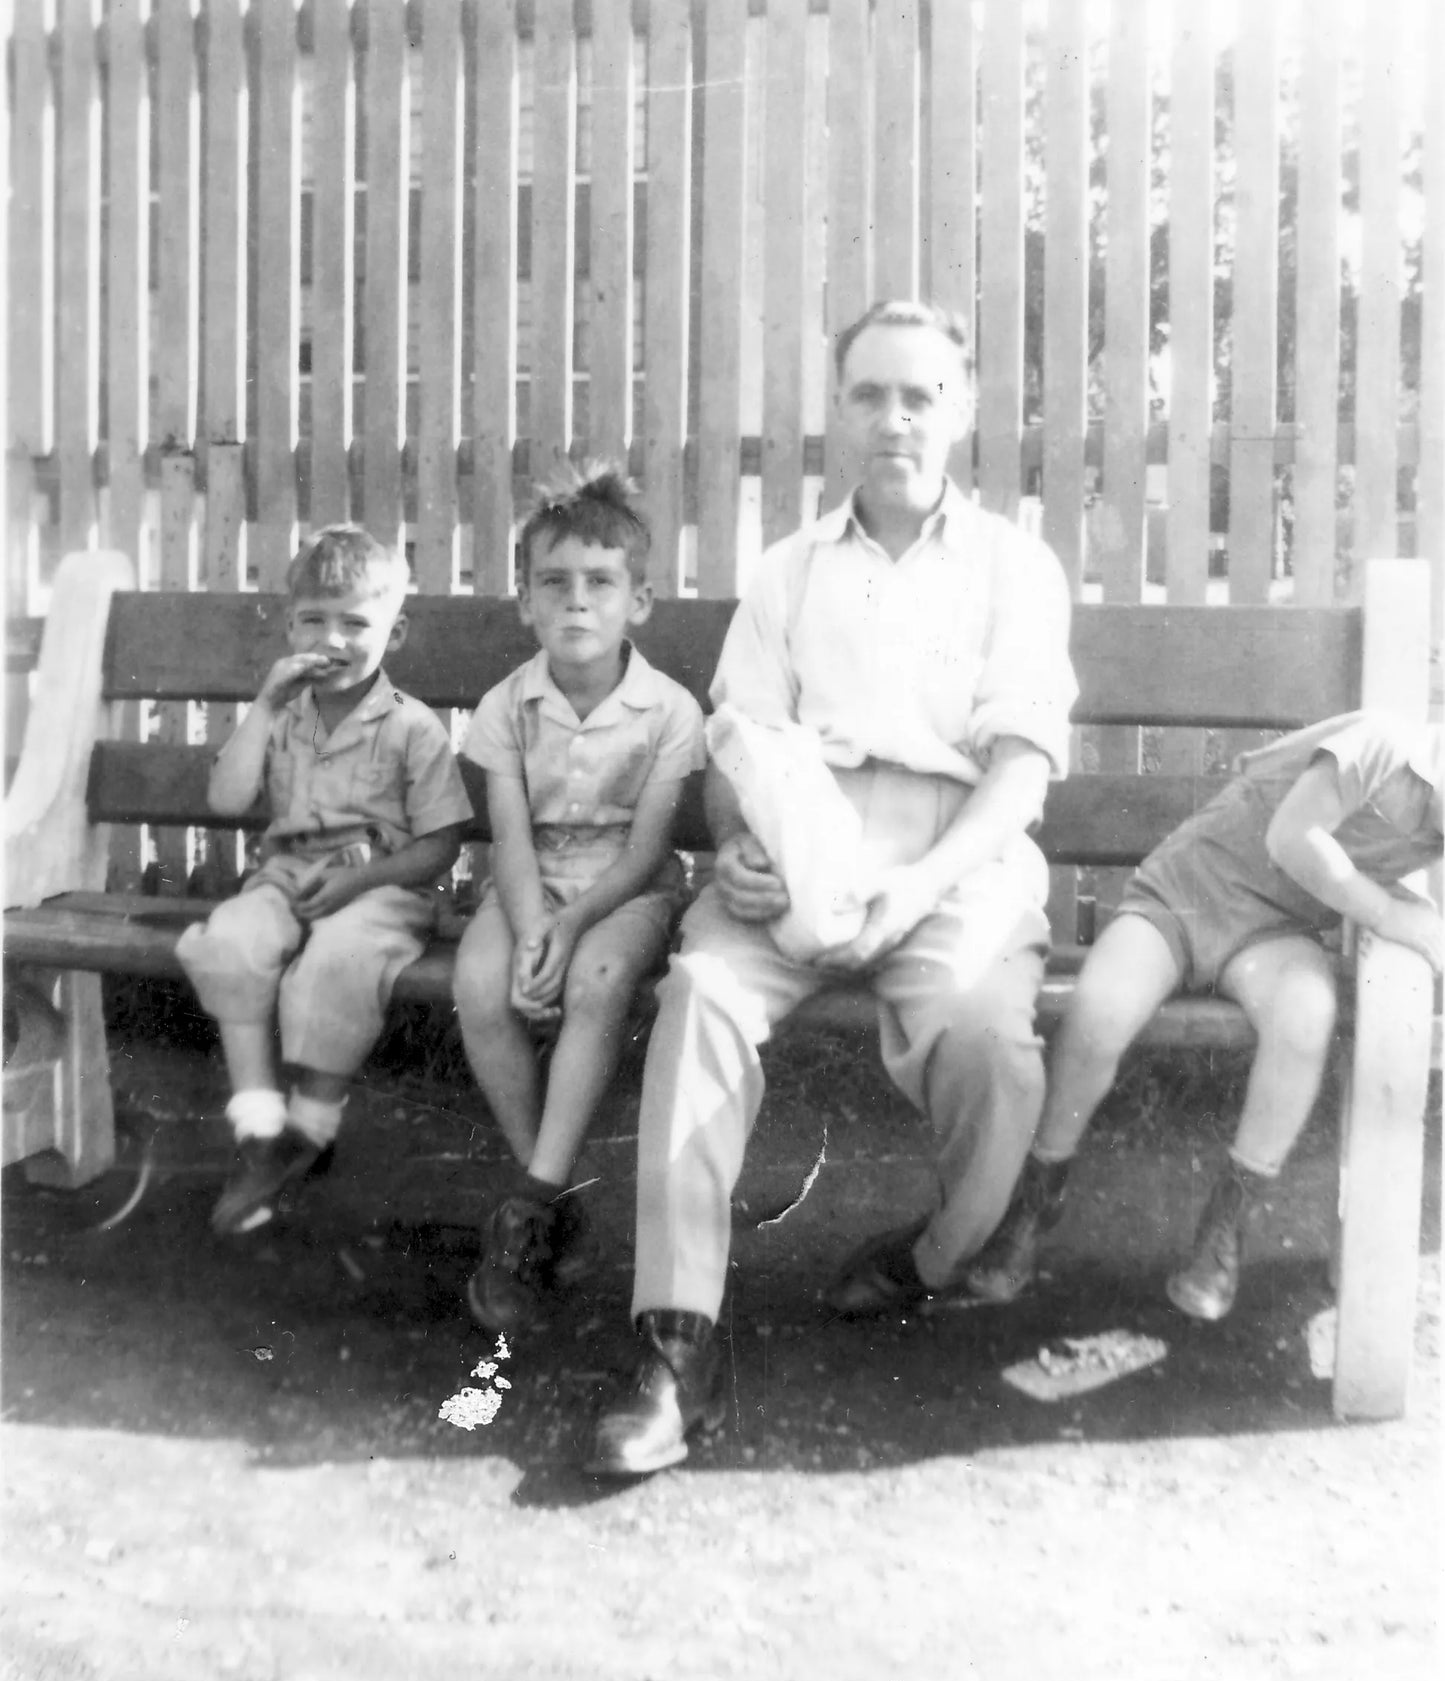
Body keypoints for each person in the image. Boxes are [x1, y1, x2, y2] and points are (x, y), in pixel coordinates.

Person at [587, 299, 1079, 1479]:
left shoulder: (1013, 567)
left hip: (954, 850)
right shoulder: (788, 570)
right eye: (869, 394)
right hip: (798, 845)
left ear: (958, 411)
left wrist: (916, 888)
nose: (893, 418)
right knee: (698, 997)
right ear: (838, 412)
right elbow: (736, 740)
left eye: (919, 395)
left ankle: (938, 1253)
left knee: (978, 1030)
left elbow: (1017, 772)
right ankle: (675, 1344)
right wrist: (734, 841)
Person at [966, 711, 1444, 1321]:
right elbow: (1292, 838)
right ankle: (1039, 1193)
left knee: (1306, 1014)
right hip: (1184, 895)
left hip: (1273, 933)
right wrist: (1384, 912)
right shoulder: (1383, 744)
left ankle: (1227, 1223)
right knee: (1100, 1009)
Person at [454, 465, 706, 1337]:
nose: (576, 603)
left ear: (639, 601)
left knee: (597, 977)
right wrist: (530, 930)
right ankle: (547, 1187)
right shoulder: (504, 706)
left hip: (623, 888)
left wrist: (566, 927)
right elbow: (510, 840)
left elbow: (645, 851)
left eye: (600, 583)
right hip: (533, 882)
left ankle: (527, 1208)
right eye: (553, 584)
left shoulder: (667, 711)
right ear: (525, 602)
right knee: (481, 985)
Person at [177, 525, 473, 1239]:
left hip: (379, 890)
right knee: (231, 939)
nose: (332, 639)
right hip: (284, 879)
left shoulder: (412, 728)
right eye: (314, 619)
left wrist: (361, 879)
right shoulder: (283, 717)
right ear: (289, 626)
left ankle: (309, 1126)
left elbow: (440, 846)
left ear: (394, 633)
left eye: (354, 623)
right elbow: (225, 799)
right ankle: (259, 1131)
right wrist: (263, 707)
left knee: (338, 959)